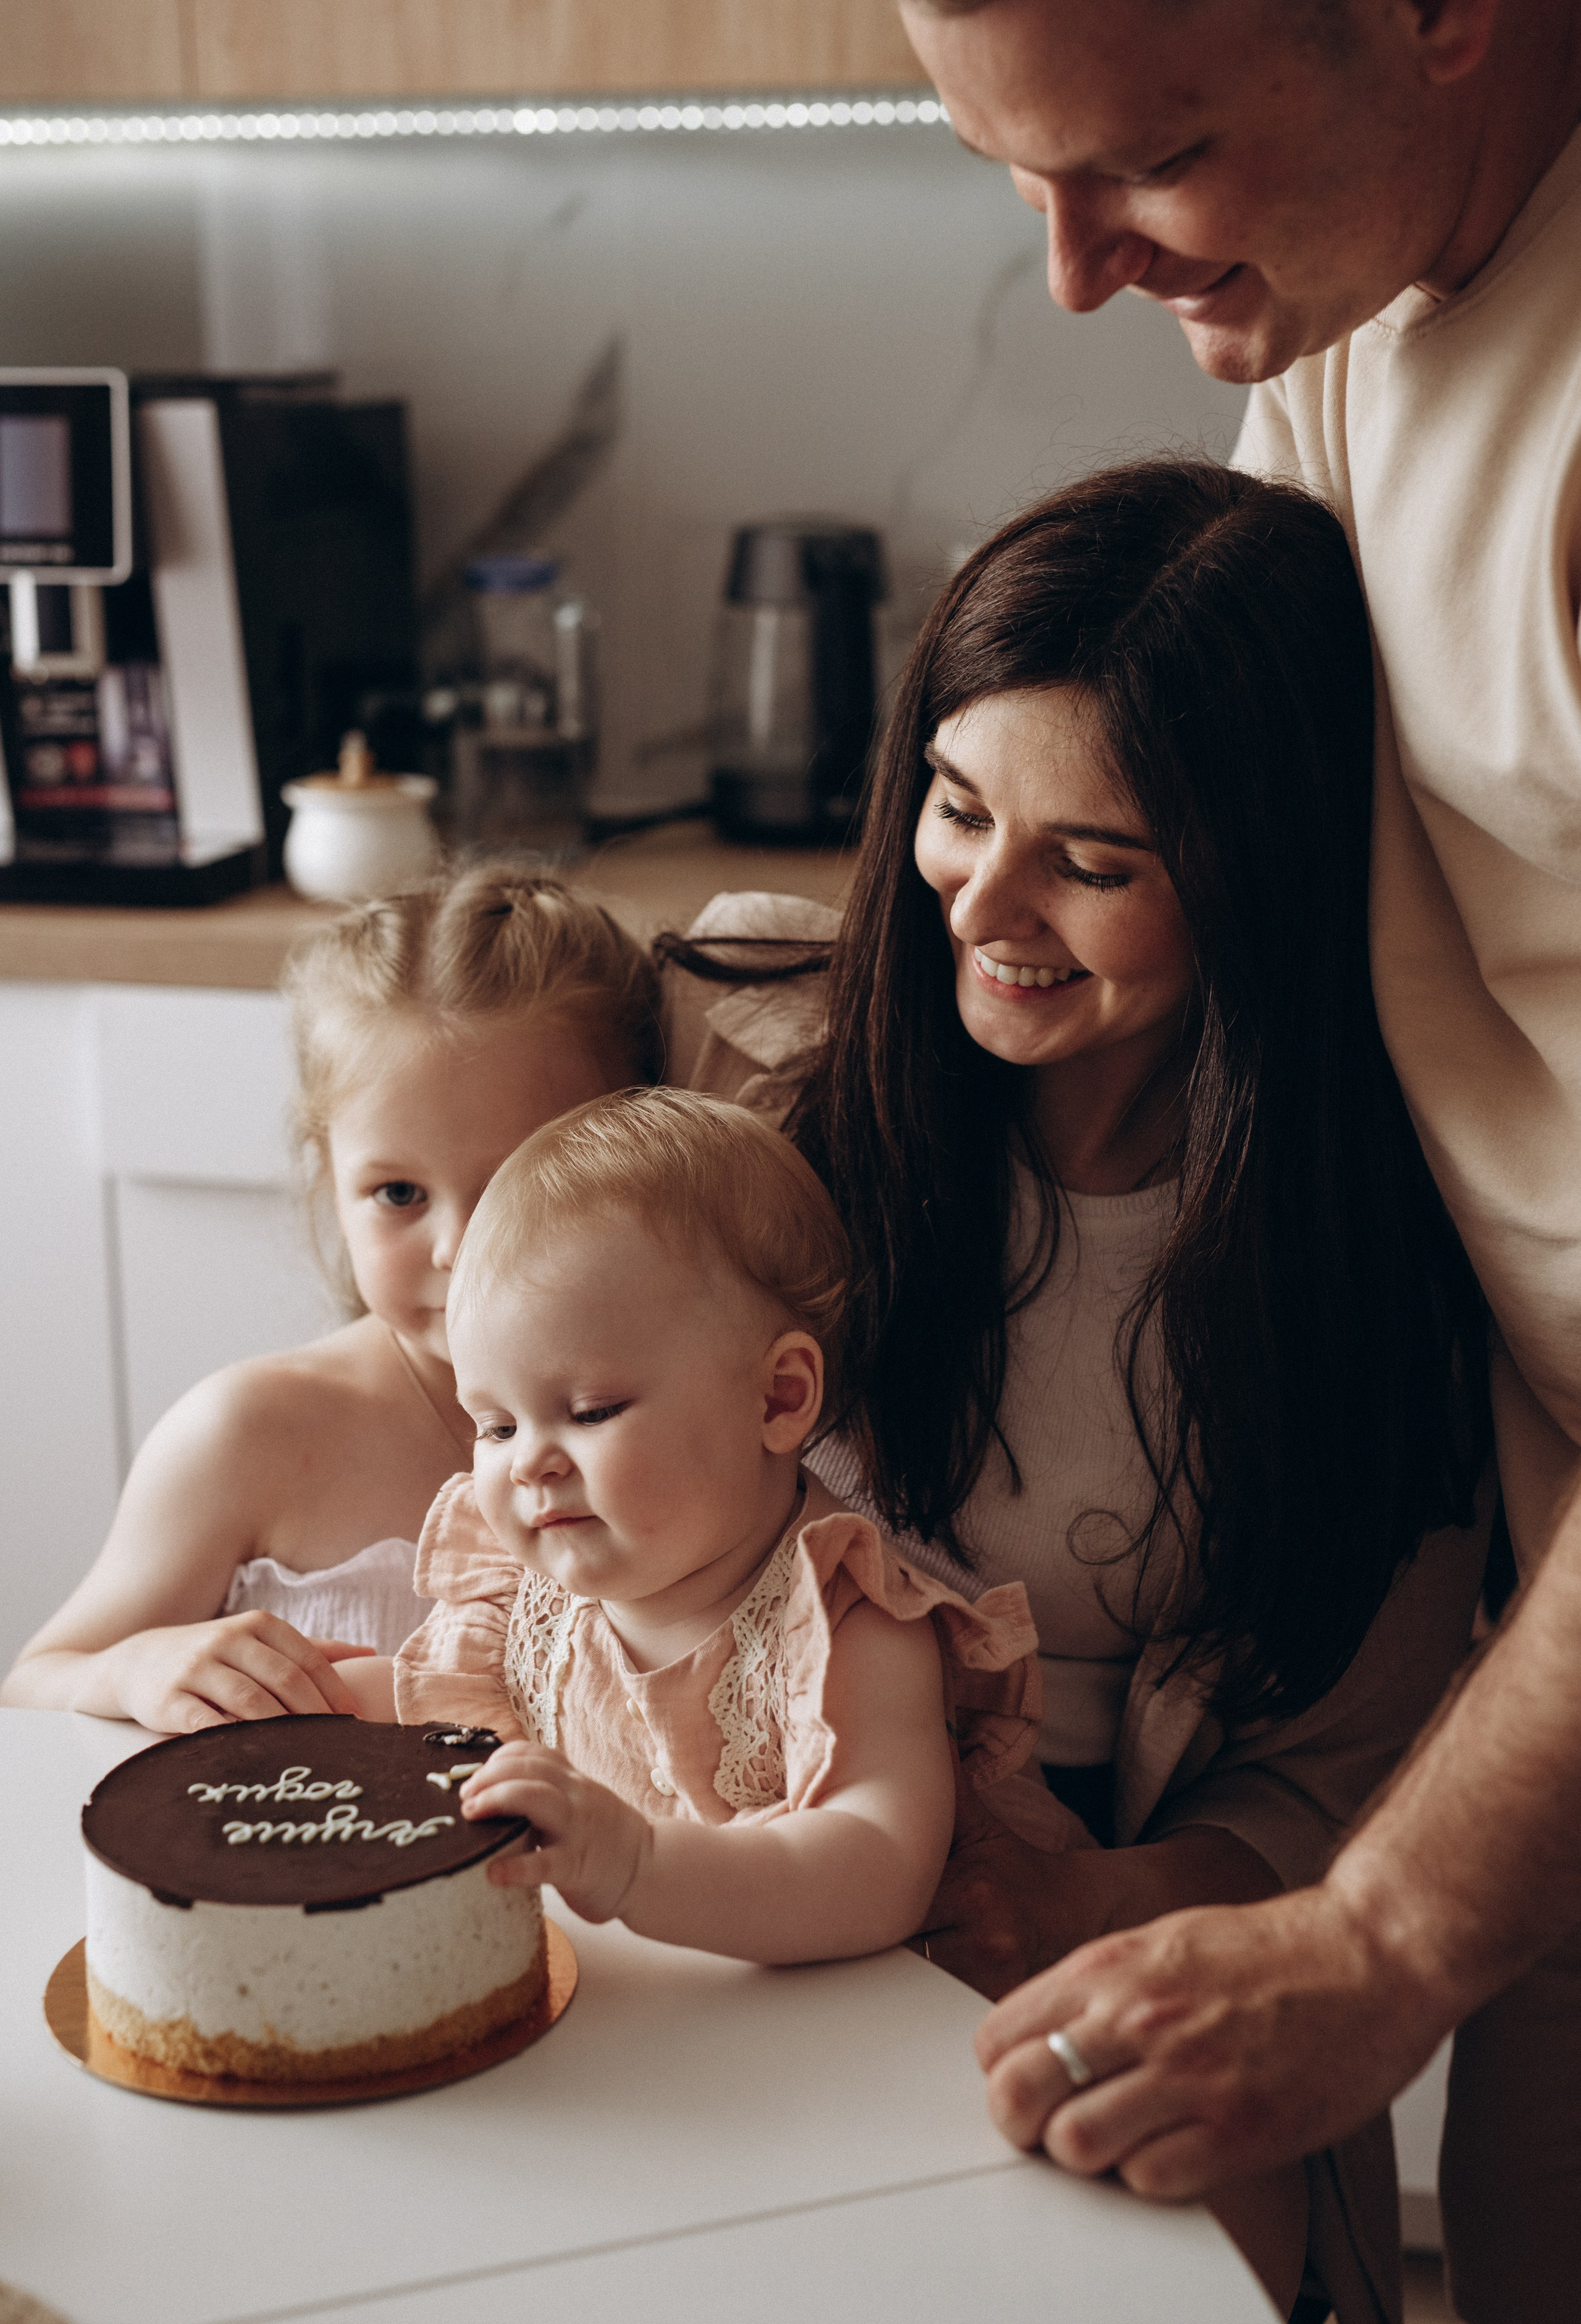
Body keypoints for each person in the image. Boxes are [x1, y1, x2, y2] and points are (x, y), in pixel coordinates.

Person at [880, 0, 1581, 2316]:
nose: (1075, 270)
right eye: (1020, 174)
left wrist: (1374, 1924)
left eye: (1152, 161)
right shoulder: (1359, 285)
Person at [660, 458, 1490, 2323]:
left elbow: (1345, 1784)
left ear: (1257, 881)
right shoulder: (749, 1080)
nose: (986, 905)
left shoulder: (1379, 1264)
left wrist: (1083, 1909)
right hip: (719, 1895)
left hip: (1115, 1938)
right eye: (959, 810)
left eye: (1094, 863)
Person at [338, 1087, 1081, 1967]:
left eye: (590, 1410)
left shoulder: (849, 1626)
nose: (528, 1462)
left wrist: (638, 1864)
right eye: (496, 1425)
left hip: (887, 2038)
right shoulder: (531, 1599)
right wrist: (303, 1697)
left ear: (778, 1398)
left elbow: (878, 1869)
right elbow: (444, 1715)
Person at [1, 868, 657, 1735]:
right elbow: (33, 1685)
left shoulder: (699, 1418)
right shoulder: (248, 1435)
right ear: (328, 1178)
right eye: (397, 1194)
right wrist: (131, 1671)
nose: (459, 1247)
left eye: (516, 1183)